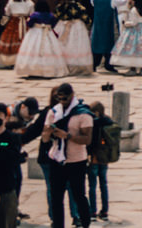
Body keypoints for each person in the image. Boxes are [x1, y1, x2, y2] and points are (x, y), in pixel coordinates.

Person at [40, 82, 93, 228]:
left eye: (65, 99)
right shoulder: (54, 112)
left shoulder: (83, 113)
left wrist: (67, 136)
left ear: (72, 96)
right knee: (56, 197)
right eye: (59, 99)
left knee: (79, 195)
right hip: (57, 158)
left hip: (76, 160)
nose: (62, 102)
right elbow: (44, 139)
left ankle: (85, 223)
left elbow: (87, 140)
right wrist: (48, 132)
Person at [15, 2, 67, 79]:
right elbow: (53, 25)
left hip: (35, 33)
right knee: (49, 51)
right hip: (48, 34)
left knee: (33, 50)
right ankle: (49, 70)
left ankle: (33, 70)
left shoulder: (34, 15)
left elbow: (29, 24)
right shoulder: (51, 15)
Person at [109, 0, 142, 75]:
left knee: (132, 48)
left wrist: (125, 23)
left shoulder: (134, 10)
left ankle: (133, 69)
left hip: (134, 30)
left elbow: (134, 23)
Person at [0, 0, 32, 68]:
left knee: (11, 41)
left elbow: (7, 13)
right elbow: (31, 13)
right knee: (24, 41)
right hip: (24, 23)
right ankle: (23, 61)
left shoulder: (11, 2)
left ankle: (10, 61)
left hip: (13, 23)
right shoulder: (30, 3)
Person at [88, 0, 119, 73]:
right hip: (108, 24)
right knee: (108, 43)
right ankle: (108, 64)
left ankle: (94, 64)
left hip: (97, 24)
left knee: (97, 44)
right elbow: (123, 1)